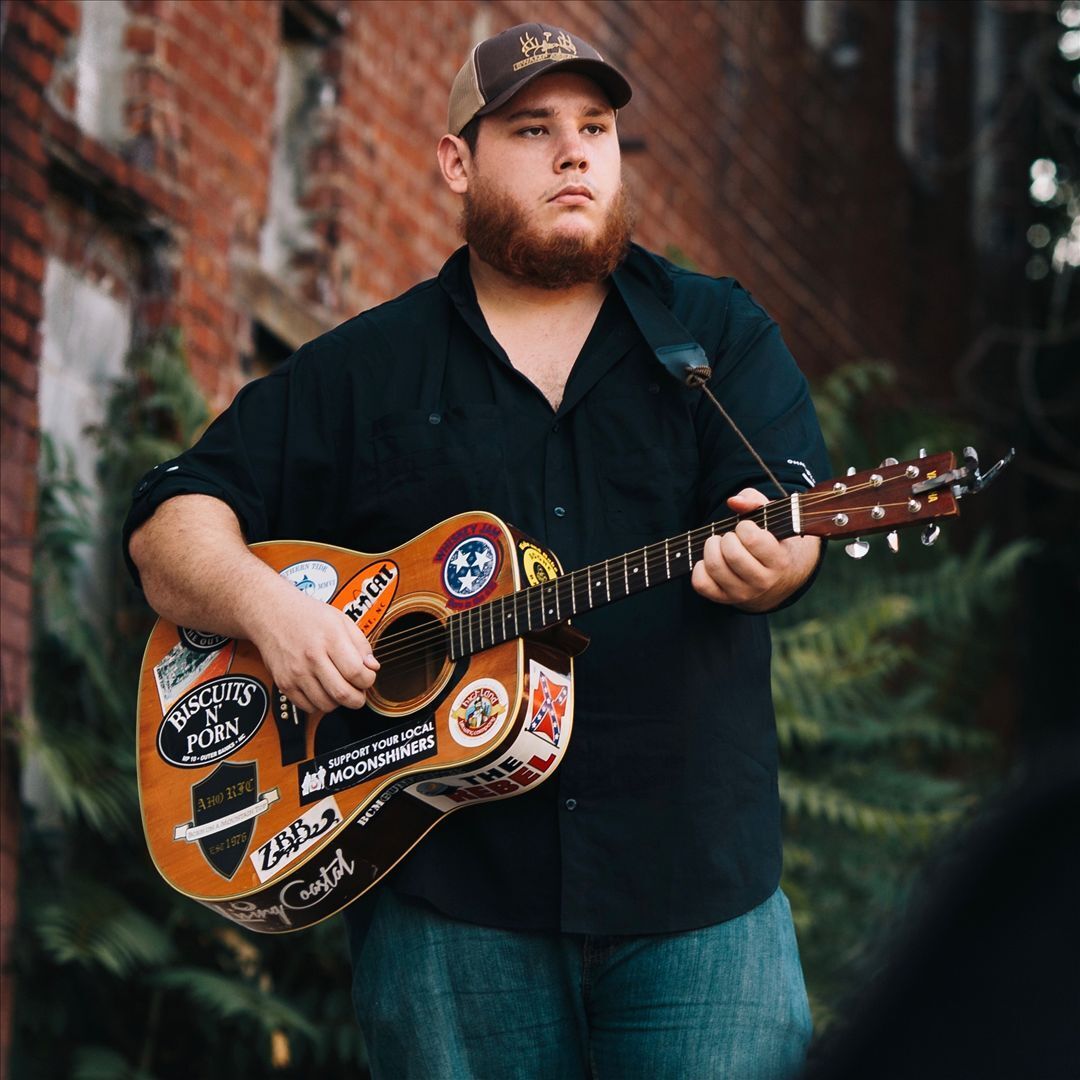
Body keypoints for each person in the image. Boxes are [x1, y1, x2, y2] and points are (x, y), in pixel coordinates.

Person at [125, 21, 830, 1079]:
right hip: (449, 908)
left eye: (595, 128)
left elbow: (797, 514)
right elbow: (168, 522)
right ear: (458, 160)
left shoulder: (715, 337)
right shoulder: (370, 368)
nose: (576, 153)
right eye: (534, 128)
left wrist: (784, 560)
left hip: (698, 902)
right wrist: (269, 610)